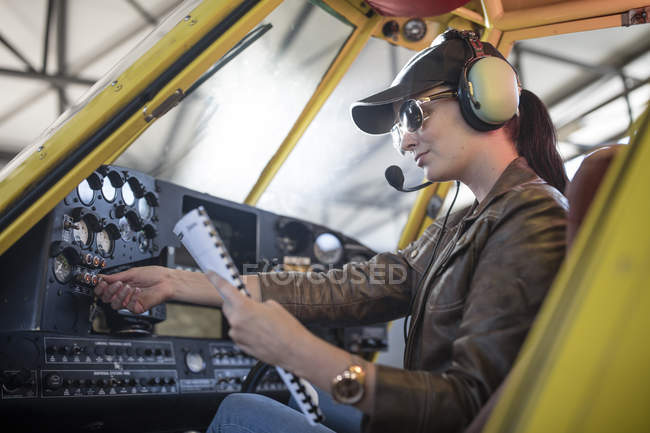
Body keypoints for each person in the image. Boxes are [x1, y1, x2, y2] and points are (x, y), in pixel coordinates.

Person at [95, 30, 568, 433]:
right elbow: (345, 287)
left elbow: (465, 406)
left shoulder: (531, 216)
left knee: (241, 413)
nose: (404, 140)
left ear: (484, 97)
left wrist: (299, 351)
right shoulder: (466, 223)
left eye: (414, 114)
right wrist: (179, 283)